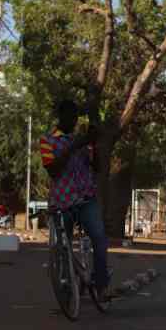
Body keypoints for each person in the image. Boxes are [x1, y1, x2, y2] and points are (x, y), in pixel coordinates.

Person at [39, 99, 110, 298]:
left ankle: (101, 284)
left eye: (76, 117)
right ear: (60, 117)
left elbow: (97, 168)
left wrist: (93, 144)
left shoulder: (82, 141)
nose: (73, 121)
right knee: (62, 248)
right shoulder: (47, 140)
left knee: (99, 239)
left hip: (86, 199)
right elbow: (52, 170)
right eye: (70, 117)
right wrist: (73, 147)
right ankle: (65, 289)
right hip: (62, 202)